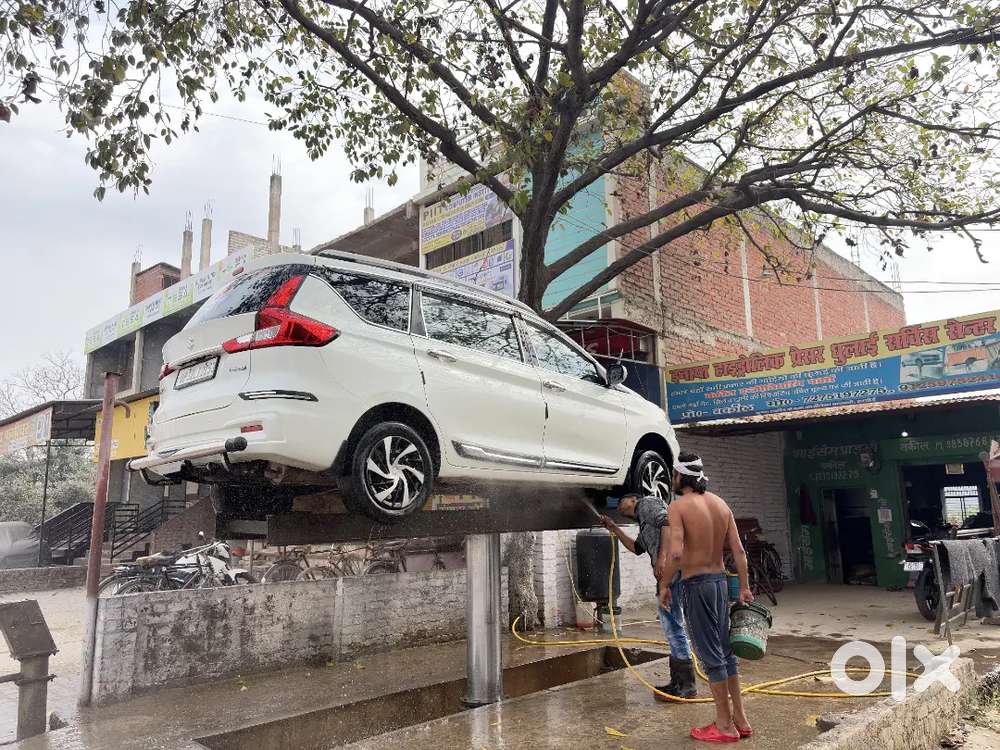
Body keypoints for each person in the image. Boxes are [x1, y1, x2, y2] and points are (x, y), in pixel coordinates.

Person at [657, 452, 754, 744]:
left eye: (673, 475)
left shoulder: (678, 506)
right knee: (725, 651)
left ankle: (724, 725)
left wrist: (664, 585)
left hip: (696, 584)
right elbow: (739, 551)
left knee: (711, 655)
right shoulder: (721, 504)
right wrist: (745, 587)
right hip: (720, 583)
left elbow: (675, 553)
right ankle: (740, 719)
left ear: (679, 476)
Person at [600, 492, 696, 699]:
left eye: (621, 500)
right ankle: (680, 682)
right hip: (670, 575)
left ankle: (686, 685)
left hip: (673, 572)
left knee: (673, 626)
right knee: (671, 625)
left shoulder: (646, 503)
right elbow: (636, 548)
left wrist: (662, 558)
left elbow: (667, 523)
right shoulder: (643, 524)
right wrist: (614, 528)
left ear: (633, 499)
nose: (618, 506)